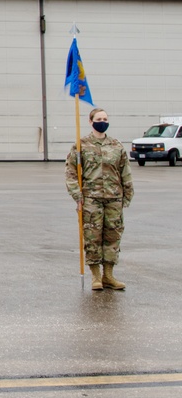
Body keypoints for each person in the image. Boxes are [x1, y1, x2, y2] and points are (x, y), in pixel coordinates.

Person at [65, 108, 134, 290]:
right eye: (98, 118)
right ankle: (96, 277)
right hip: (91, 199)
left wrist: (128, 194)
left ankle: (108, 276)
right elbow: (71, 173)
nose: (102, 121)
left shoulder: (116, 145)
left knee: (112, 237)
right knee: (92, 237)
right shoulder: (81, 146)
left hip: (113, 198)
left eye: (105, 118)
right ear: (90, 121)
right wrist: (77, 195)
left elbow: (125, 171)